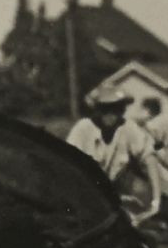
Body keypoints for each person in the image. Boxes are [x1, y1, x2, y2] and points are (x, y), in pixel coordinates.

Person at [65, 86, 161, 221]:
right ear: (97, 110)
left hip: (111, 194)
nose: (111, 115)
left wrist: (156, 201)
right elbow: (67, 165)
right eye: (105, 109)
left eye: (116, 109)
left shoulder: (127, 127)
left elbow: (149, 156)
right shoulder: (83, 128)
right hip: (82, 193)